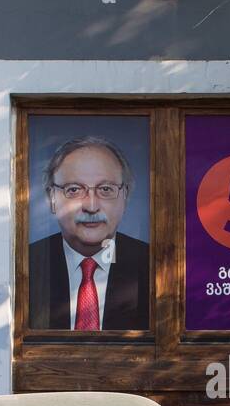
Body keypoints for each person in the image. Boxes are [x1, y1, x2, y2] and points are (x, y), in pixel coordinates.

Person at [28, 135, 150, 330]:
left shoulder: (153, 265)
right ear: (52, 198)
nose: (91, 206)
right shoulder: (25, 265)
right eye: (74, 190)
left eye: (106, 189)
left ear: (124, 197)